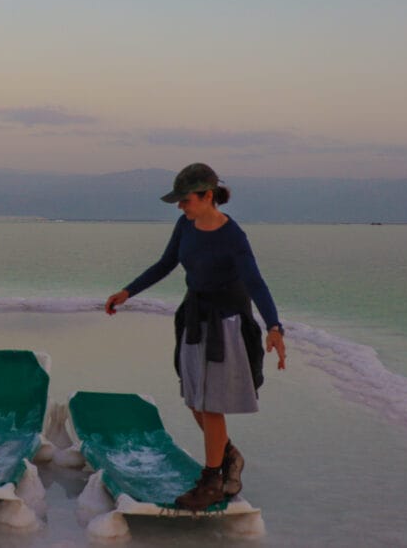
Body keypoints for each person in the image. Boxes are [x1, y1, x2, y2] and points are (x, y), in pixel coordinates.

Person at [104, 162, 287, 511]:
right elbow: (165, 263)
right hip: (195, 318)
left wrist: (274, 327)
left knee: (211, 404)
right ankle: (230, 456)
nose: (180, 207)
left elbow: (256, 283)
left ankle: (212, 480)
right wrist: (128, 292)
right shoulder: (185, 225)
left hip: (227, 326)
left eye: (185, 200)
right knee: (193, 399)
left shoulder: (234, 238)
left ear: (207, 196)